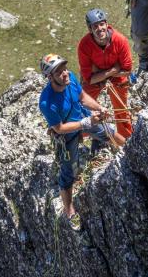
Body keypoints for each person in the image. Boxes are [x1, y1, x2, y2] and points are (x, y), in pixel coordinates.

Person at [38, 53, 115, 230]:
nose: (65, 73)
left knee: (110, 134)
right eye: (59, 72)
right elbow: (58, 128)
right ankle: (69, 210)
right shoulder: (46, 102)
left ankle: (101, 153)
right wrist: (85, 123)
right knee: (68, 173)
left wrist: (100, 108)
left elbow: (82, 98)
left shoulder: (70, 78)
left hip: (82, 116)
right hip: (67, 135)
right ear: (49, 77)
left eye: (64, 69)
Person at [77, 9, 134, 140]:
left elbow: (127, 69)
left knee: (121, 109)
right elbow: (88, 78)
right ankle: (82, 135)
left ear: (107, 24)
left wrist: (104, 74)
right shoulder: (84, 45)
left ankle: (126, 139)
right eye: (95, 26)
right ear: (90, 29)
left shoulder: (120, 40)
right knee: (83, 105)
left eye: (102, 24)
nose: (100, 29)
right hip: (101, 75)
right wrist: (112, 71)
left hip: (113, 76)